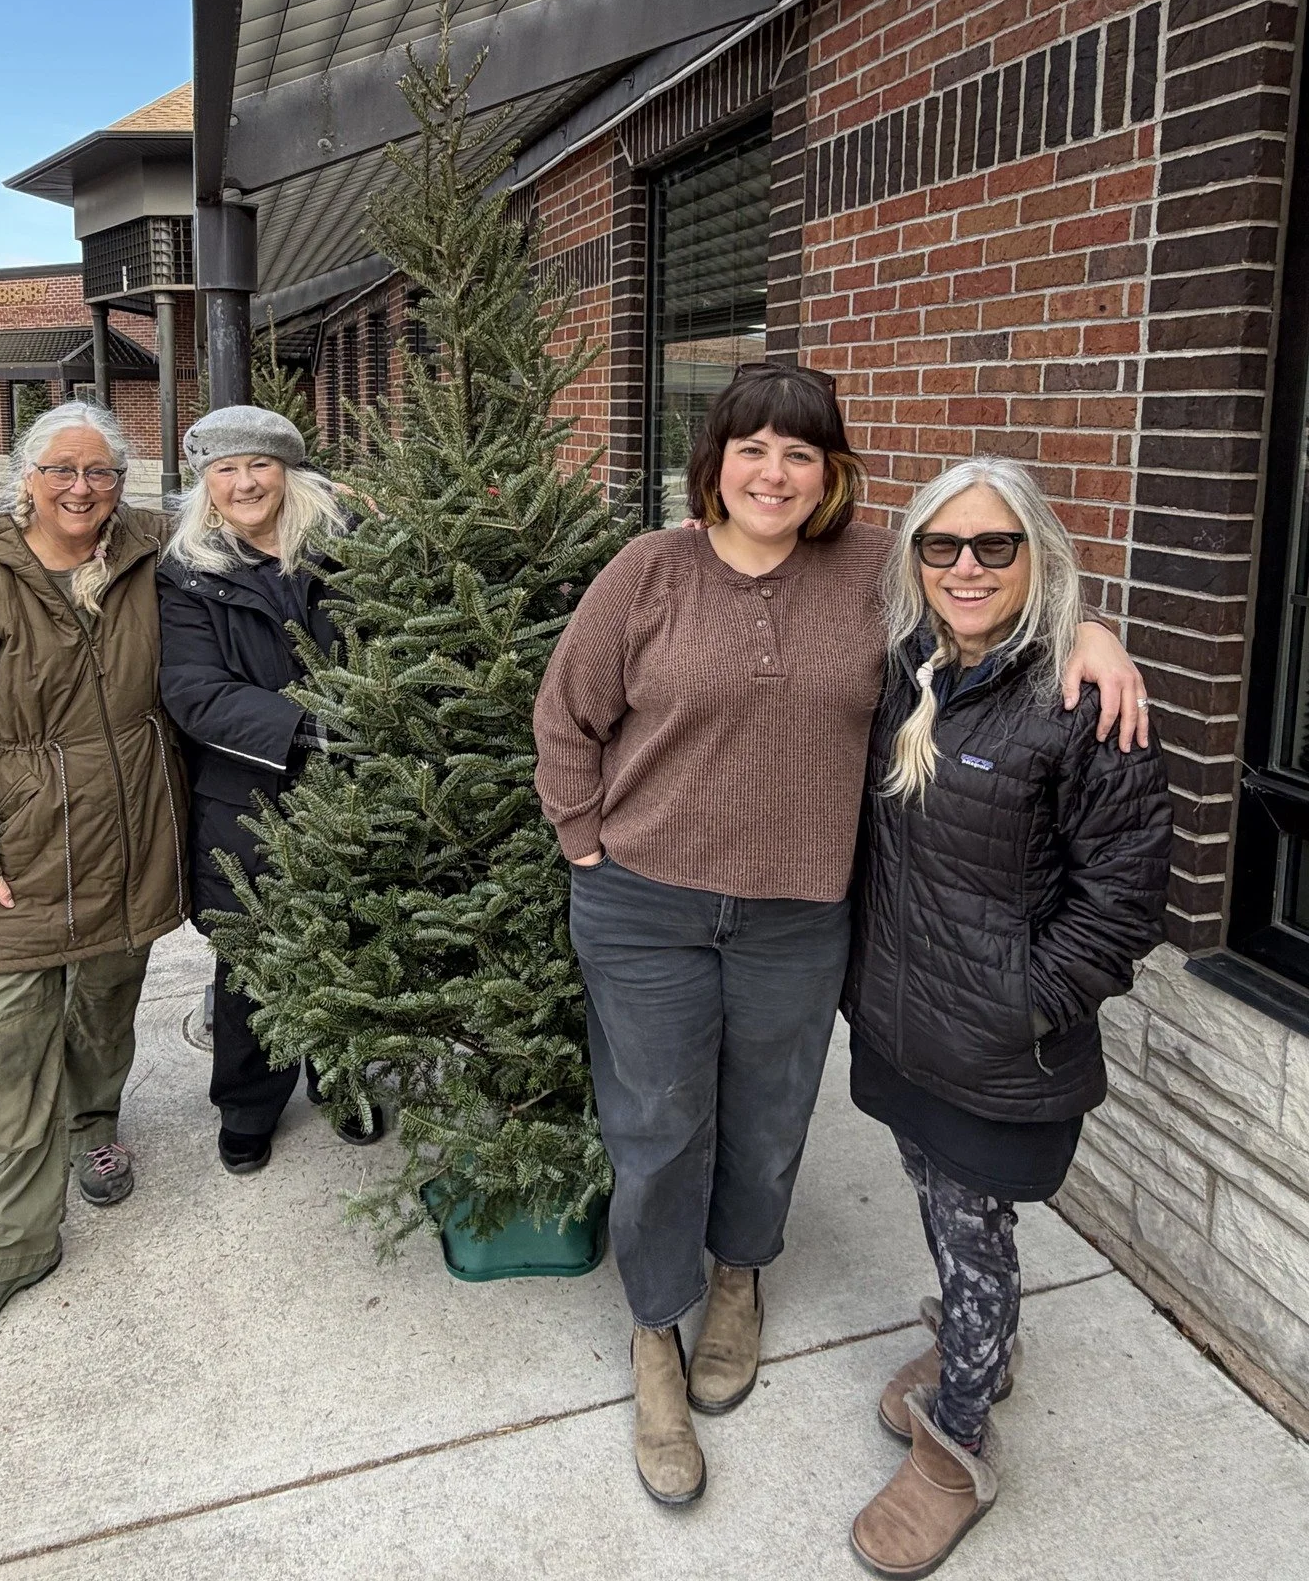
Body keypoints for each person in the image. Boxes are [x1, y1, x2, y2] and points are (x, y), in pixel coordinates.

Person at [531, 363, 1147, 1508]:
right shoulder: (649, 570)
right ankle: (655, 1334)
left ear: (831, 472)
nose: (774, 470)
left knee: (767, 1122)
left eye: (800, 452)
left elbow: (991, 598)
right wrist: (582, 839)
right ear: (713, 461)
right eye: (752, 446)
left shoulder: (872, 573)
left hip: (801, 909)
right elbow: (567, 711)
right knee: (658, 1121)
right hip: (646, 904)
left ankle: (738, 1282)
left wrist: (1094, 633)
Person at [845, 457, 1169, 1578]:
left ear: (1039, 553)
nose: (968, 565)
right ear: (915, 561)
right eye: (944, 545)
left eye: (996, 544)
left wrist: (1022, 1004)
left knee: (973, 1235)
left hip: (995, 1045)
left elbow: (1124, 895)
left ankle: (960, 1442)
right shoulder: (903, 667)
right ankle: (982, 1349)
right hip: (896, 1024)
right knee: (946, 1217)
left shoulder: (1080, 701)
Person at [0, 403, 187, 1355]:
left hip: (133, 834)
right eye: (61, 469)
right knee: (4, 1047)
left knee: (106, 1005)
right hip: (17, 852)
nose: (81, 488)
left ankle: (93, 1122)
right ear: (24, 476)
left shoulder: (147, 552)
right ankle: (13, 1242)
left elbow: (246, 499)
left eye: (101, 472)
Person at [157, 405, 384, 1174]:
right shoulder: (189, 573)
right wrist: (307, 729)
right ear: (206, 484)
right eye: (226, 468)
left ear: (288, 473)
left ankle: (343, 1078)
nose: (245, 481)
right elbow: (194, 690)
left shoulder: (349, 550)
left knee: (352, 941)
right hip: (248, 796)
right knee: (253, 958)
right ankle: (249, 1105)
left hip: (352, 793)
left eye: (260, 464)